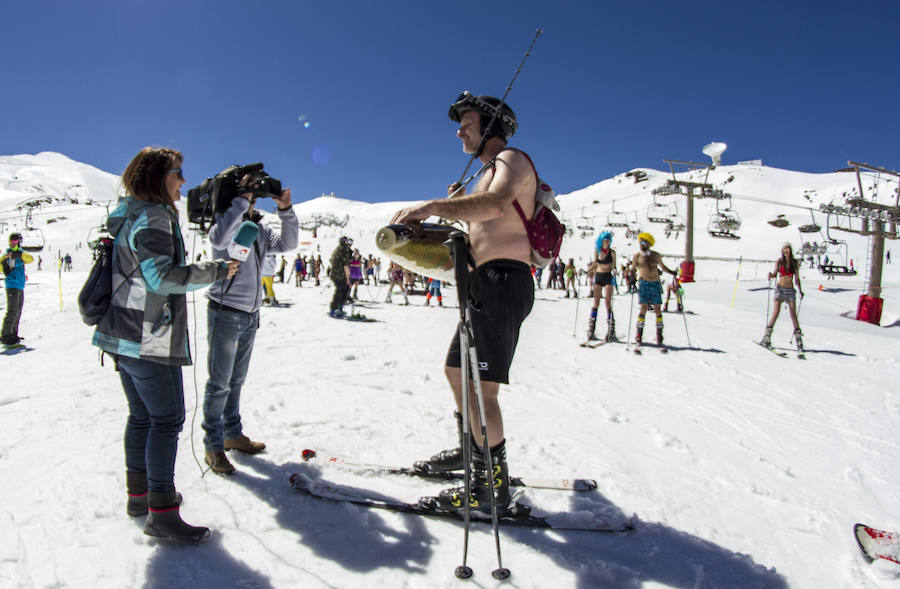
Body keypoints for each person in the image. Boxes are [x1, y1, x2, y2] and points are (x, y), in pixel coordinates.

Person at [390, 91, 536, 514]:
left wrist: (437, 205)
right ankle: (469, 450)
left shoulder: (512, 160)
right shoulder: (486, 172)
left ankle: (491, 488)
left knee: (481, 389)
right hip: (483, 282)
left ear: (490, 126)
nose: (459, 131)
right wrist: (457, 207)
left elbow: (495, 205)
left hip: (503, 280)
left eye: (467, 124)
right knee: (457, 373)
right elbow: (482, 215)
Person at [92, 147, 239, 541]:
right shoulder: (154, 216)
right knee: (166, 420)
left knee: (141, 417)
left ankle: (139, 497)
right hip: (148, 337)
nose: (183, 181)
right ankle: (162, 511)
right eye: (178, 172)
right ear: (159, 176)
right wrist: (216, 269)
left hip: (120, 334)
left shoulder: (130, 214)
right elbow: (162, 278)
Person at [202, 165, 298, 475]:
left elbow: (287, 244)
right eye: (249, 194)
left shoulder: (256, 228)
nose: (254, 200)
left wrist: (286, 211)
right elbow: (219, 239)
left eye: (255, 196)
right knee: (219, 384)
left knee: (236, 381)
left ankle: (232, 434)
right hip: (225, 312)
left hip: (250, 314)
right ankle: (213, 445)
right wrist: (240, 201)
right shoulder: (225, 221)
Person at [632, 232, 676, 352]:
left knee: (657, 309)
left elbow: (662, 267)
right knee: (643, 308)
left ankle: (659, 337)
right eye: (641, 242)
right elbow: (633, 268)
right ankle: (638, 336)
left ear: (649, 243)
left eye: (645, 242)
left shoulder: (656, 255)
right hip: (643, 283)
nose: (642, 244)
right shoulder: (637, 256)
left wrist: (672, 272)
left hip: (655, 283)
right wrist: (631, 276)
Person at [761, 242, 805, 350]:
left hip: (790, 290)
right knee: (776, 313)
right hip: (780, 289)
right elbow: (775, 273)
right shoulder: (780, 261)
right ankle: (766, 337)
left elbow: (797, 278)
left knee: (793, 315)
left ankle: (799, 341)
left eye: (788, 248)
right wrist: (771, 275)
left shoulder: (794, 263)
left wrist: (800, 290)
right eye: (784, 249)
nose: (786, 251)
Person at [1, 232, 34, 346]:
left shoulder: (21, 253)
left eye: (15, 242)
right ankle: (5, 335)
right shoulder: (7, 254)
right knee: (12, 311)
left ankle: (13, 334)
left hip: (20, 286)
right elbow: (3, 267)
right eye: (11, 242)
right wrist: (5, 262)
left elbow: (30, 259)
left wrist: (19, 255)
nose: (13, 244)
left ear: (19, 242)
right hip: (12, 286)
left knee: (18, 312)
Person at [586, 232, 617, 342]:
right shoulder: (597, 251)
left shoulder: (612, 252)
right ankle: (591, 328)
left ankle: (611, 329)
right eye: (605, 239)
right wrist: (588, 271)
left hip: (608, 276)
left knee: (608, 302)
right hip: (598, 276)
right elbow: (595, 264)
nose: (607, 241)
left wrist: (614, 270)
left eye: (608, 240)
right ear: (601, 240)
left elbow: (614, 265)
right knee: (596, 303)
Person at [327, 236, 353, 317]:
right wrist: (348, 278)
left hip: (334, 273)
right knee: (342, 291)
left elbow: (331, 260)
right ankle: (336, 308)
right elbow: (346, 265)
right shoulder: (344, 251)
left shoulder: (337, 250)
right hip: (341, 275)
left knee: (340, 290)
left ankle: (336, 308)